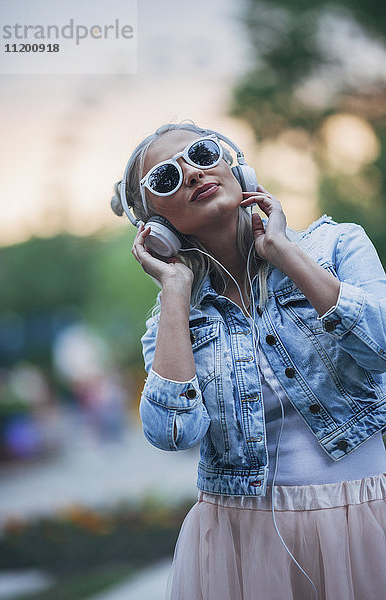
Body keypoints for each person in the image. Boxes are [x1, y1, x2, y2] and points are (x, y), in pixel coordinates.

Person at [114, 121, 386, 600]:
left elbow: (380, 347)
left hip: (364, 514)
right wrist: (175, 291)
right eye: (166, 178)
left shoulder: (338, 246)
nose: (192, 174)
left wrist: (284, 252)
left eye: (201, 155)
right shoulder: (172, 321)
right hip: (242, 538)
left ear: (237, 166)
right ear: (155, 225)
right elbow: (172, 433)